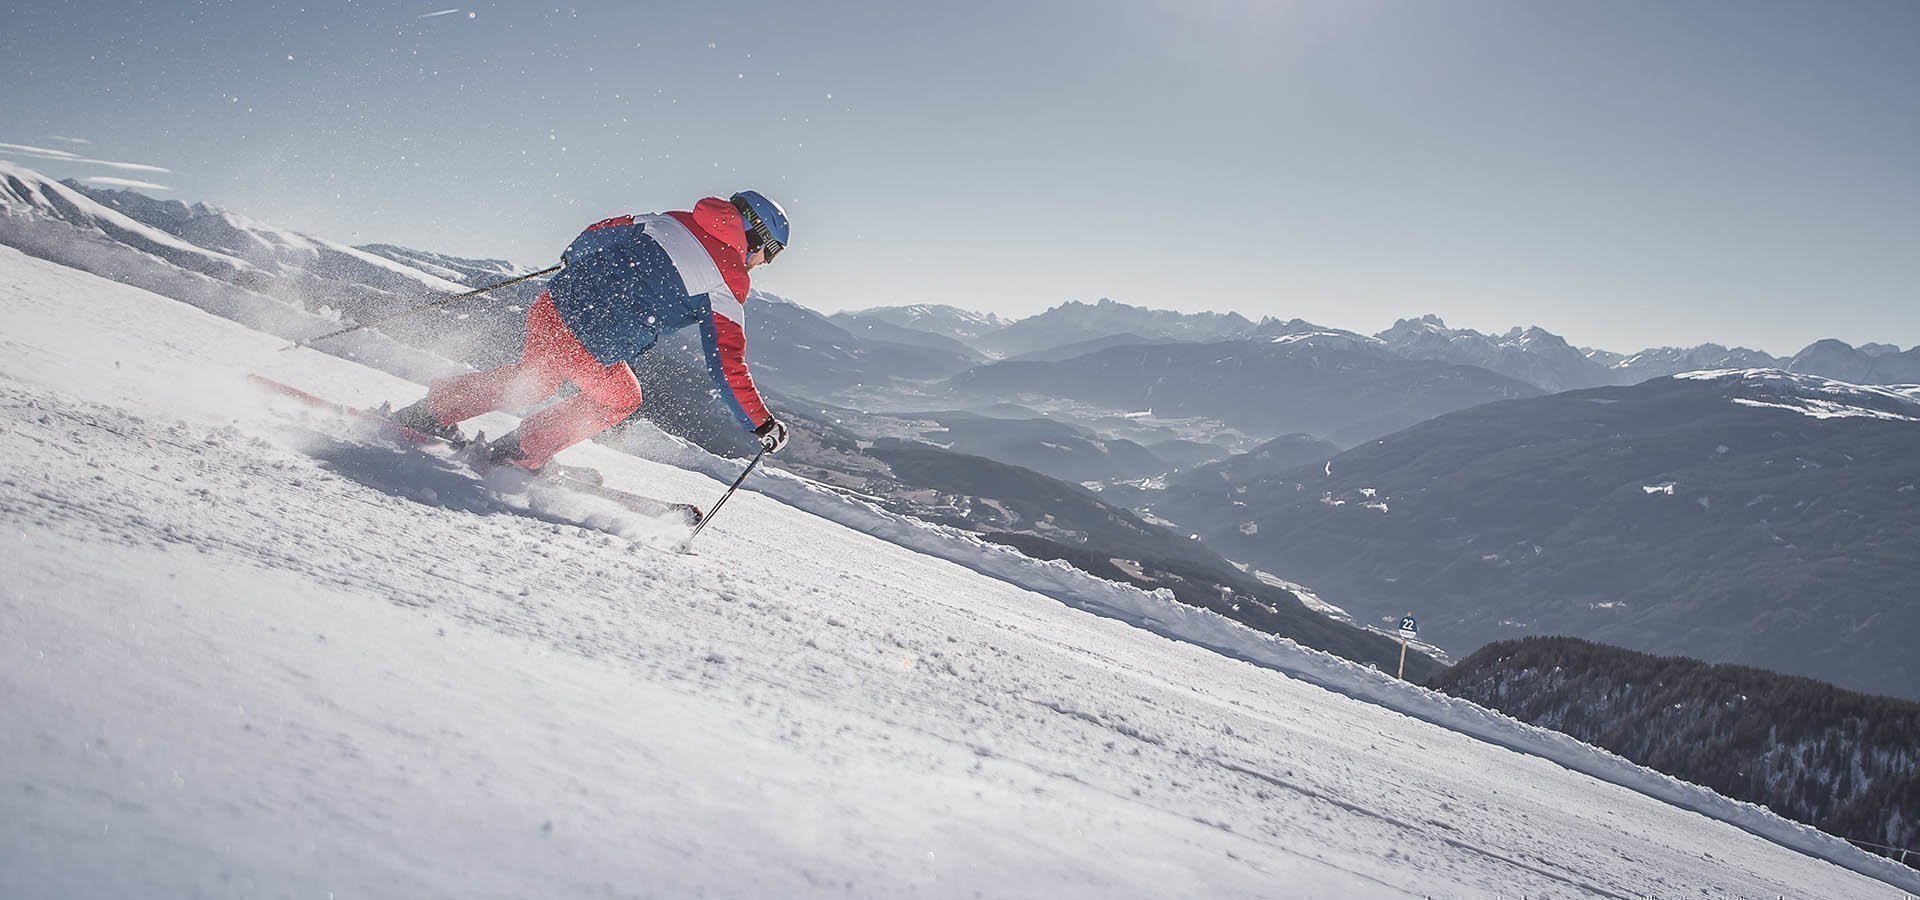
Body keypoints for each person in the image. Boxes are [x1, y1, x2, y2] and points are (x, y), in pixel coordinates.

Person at [386, 191, 793, 470]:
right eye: (769, 254)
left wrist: (573, 261)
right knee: (621, 399)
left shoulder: (671, 220)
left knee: (536, 380)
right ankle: (520, 451)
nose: (763, 264)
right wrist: (759, 423)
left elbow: (600, 232)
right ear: (754, 236)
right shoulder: (726, 284)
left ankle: (431, 412)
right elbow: (727, 366)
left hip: (553, 305)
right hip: (592, 345)